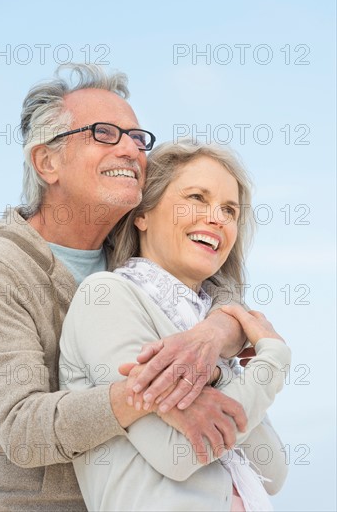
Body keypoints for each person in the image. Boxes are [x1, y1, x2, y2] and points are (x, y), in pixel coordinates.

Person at [0, 64, 249, 511]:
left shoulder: (131, 259)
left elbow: (220, 295)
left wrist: (213, 334)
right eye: (105, 134)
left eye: (138, 139)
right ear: (47, 162)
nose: (132, 151)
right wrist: (158, 396)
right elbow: (23, 430)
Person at [59, 140, 291, 512]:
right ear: (143, 214)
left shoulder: (214, 330)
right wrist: (273, 360)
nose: (217, 217)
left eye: (229, 209)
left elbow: (274, 470)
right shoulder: (106, 298)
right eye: (197, 197)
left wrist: (217, 368)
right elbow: (178, 453)